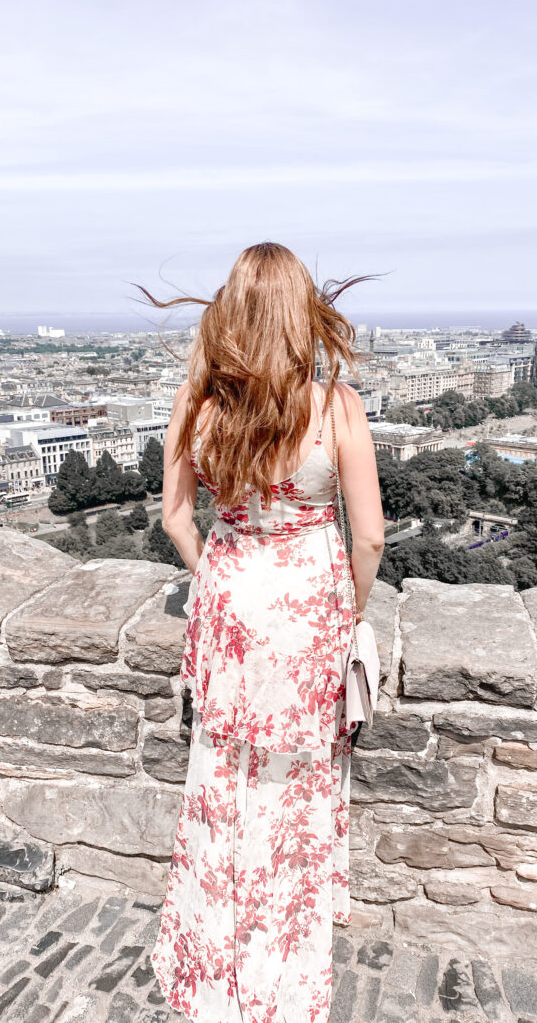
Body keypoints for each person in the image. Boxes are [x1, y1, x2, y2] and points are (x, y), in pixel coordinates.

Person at [142, 242, 385, 1023]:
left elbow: (177, 518)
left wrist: (215, 571)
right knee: (298, 783)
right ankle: (282, 956)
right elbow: (370, 537)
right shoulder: (334, 405)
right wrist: (348, 609)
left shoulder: (197, 403)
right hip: (310, 602)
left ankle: (210, 951)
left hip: (230, 599)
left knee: (222, 774)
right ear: (300, 314)